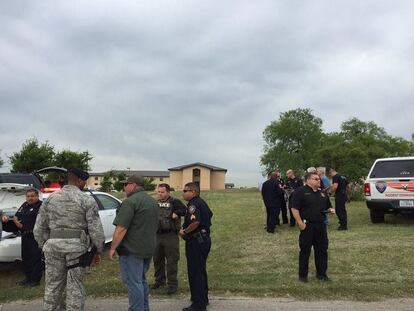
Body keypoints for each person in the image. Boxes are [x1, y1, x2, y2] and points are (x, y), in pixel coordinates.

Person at [34, 168, 105, 311]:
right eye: (84, 182)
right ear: (78, 180)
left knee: (52, 285)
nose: (84, 185)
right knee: (75, 287)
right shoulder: (86, 199)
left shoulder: (51, 199)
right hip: (76, 250)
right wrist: (98, 249)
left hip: (52, 248)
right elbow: (95, 229)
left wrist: (44, 245)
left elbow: (39, 228)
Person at [108, 175, 159, 311]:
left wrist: (113, 248)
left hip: (132, 249)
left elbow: (121, 228)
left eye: (126, 184)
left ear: (134, 185)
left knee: (133, 283)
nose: (124, 187)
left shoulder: (130, 202)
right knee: (141, 281)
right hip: (148, 248)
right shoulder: (152, 201)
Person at [291, 172, 335, 283]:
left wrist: (330, 210)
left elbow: (328, 205)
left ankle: (321, 274)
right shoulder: (300, 192)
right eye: (315, 179)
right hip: (307, 225)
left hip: (320, 225)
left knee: (322, 250)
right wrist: (300, 222)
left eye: (319, 179)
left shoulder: (322, 192)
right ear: (308, 180)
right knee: (305, 250)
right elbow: (294, 208)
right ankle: (302, 276)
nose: (318, 180)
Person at [179, 182, 213, 311]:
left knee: (196, 272)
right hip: (203, 240)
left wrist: (184, 231)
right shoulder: (200, 202)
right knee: (200, 270)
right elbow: (210, 214)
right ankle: (202, 299)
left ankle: (198, 305)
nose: (183, 192)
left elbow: (196, 222)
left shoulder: (193, 205)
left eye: (185, 190)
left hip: (196, 241)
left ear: (193, 192)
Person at [1, 188, 44, 287]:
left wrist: (22, 225)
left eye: (32, 196)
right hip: (25, 236)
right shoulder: (25, 205)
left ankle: (35, 280)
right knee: (26, 258)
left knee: (35, 259)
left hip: (35, 236)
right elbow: (17, 216)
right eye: (28, 196)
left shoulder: (41, 206)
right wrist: (14, 221)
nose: (30, 198)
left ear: (37, 196)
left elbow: (38, 222)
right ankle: (28, 278)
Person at [152, 183, 187, 295]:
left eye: (162, 192)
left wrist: (176, 213)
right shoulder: (155, 202)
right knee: (157, 259)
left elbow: (185, 210)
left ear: (168, 192)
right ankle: (159, 281)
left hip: (170, 235)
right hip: (157, 235)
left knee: (172, 261)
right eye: (159, 192)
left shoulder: (174, 201)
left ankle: (172, 285)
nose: (160, 194)